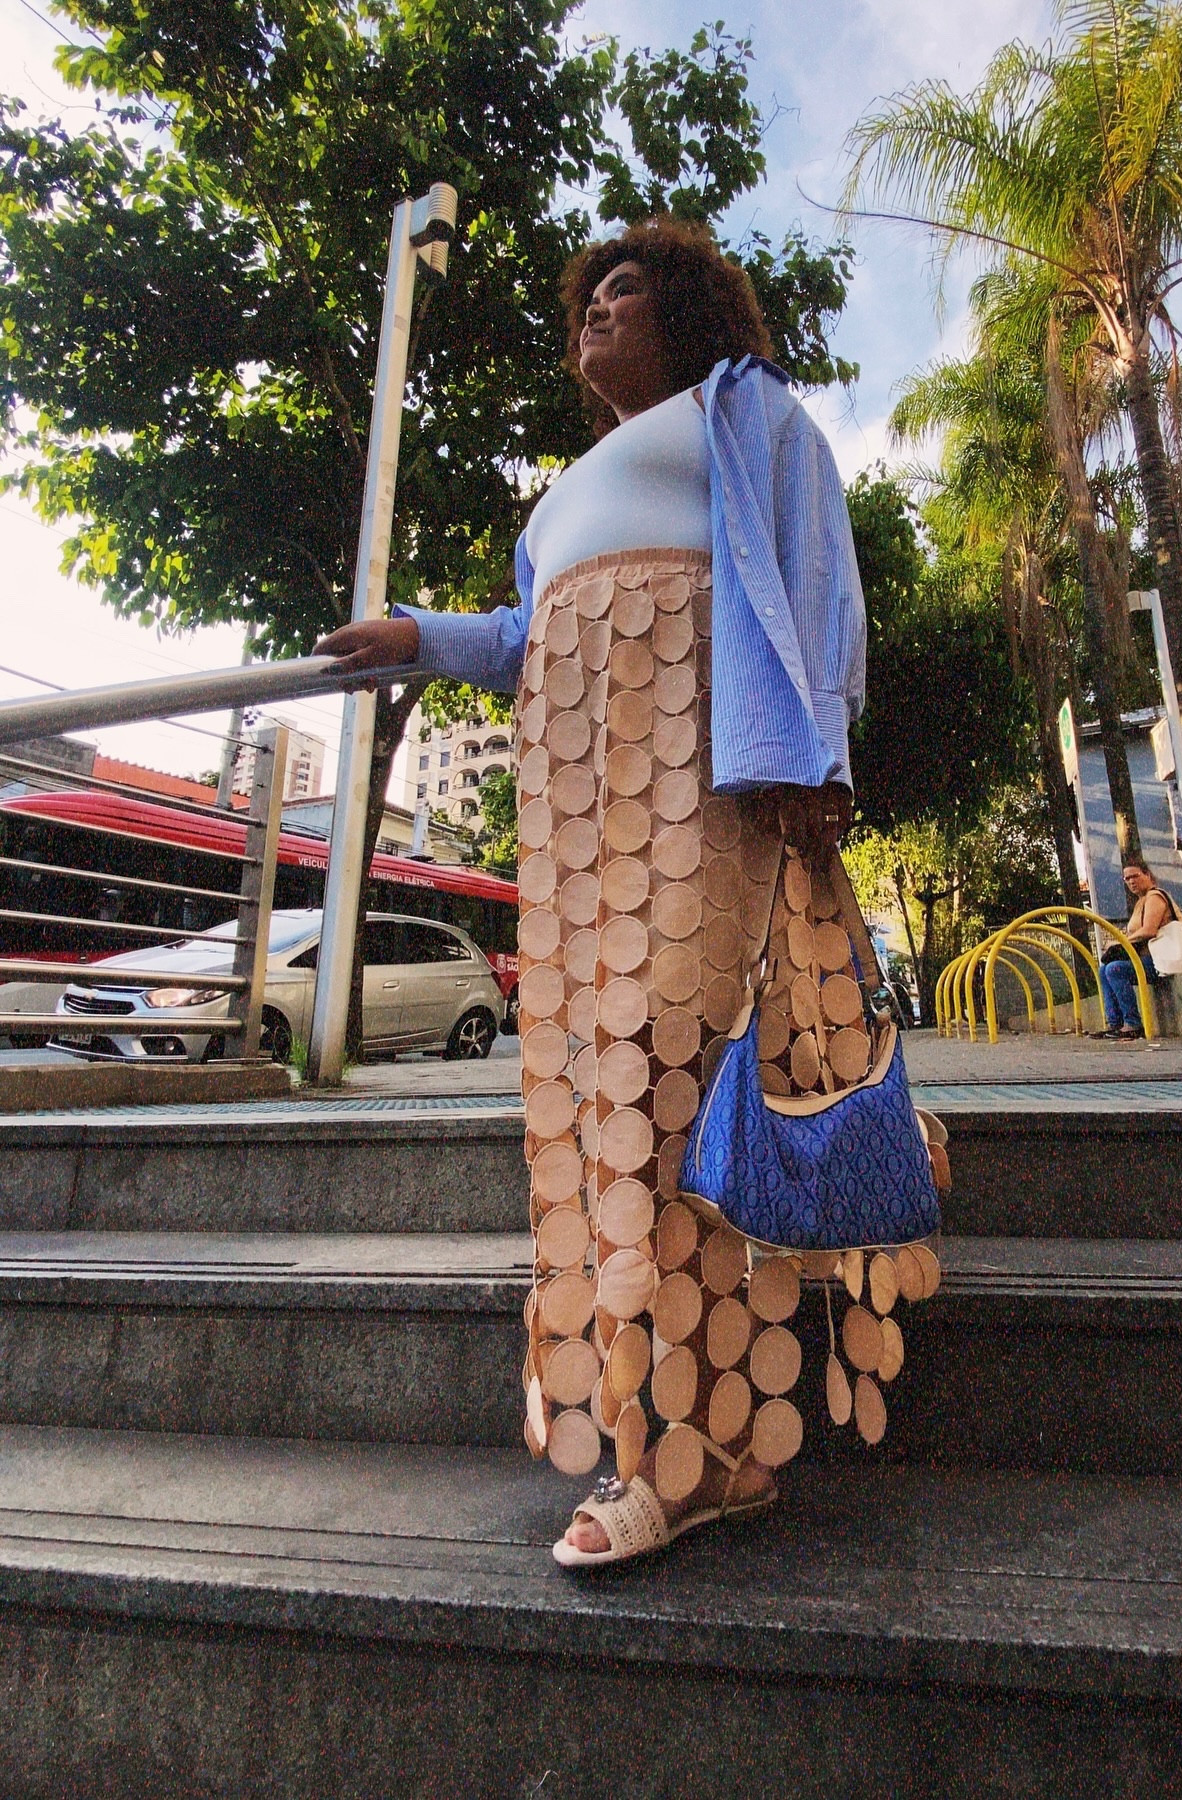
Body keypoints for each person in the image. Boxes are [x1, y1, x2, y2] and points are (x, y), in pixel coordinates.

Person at [317, 217, 886, 1567]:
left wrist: (820, 755)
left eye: (624, 292)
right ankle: (697, 1443)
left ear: (685, 315)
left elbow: (820, 581)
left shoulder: (744, 413)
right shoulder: (568, 490)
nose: (597, 314)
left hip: (708, 777)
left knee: (672, 1072)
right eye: (588, 299)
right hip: (580, 819)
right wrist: (419, 634)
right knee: (607, 1096)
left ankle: (686, 1452)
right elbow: (525, 636)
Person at [1097, 857, 1177, 1040]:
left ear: (1147, 874)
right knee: (1104, 970)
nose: (1131, 881)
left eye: (1135, 876)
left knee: (1115, 969)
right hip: (1147, 959)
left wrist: (1120, 942)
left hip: (1160, 960)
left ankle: (1133, 1023)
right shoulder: (1140, 902)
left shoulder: (1155, 896)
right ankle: (1115, 1023)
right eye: (1127, 878)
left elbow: (1149, 930)